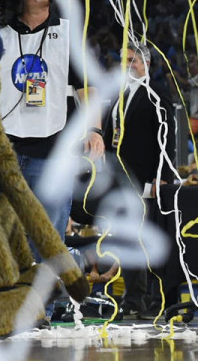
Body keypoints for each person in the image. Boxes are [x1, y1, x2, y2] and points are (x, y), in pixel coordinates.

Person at [0, 0, 103, 237]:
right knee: (5, 236)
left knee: (48, 238)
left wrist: (94, 129)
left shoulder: (69, 33)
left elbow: (86, 87)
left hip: (52, 150)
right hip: (3, 149)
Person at [100, 40, 176, 317]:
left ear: (146, 64)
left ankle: (156, 301)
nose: (127, 65)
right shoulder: (119, 95)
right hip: (120, 181)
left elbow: (167, 140)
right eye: (123, 59)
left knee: (149, 240)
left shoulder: (157, 94)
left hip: (146, 178)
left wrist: (163, 177)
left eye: (132, 59)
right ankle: (133, 299)